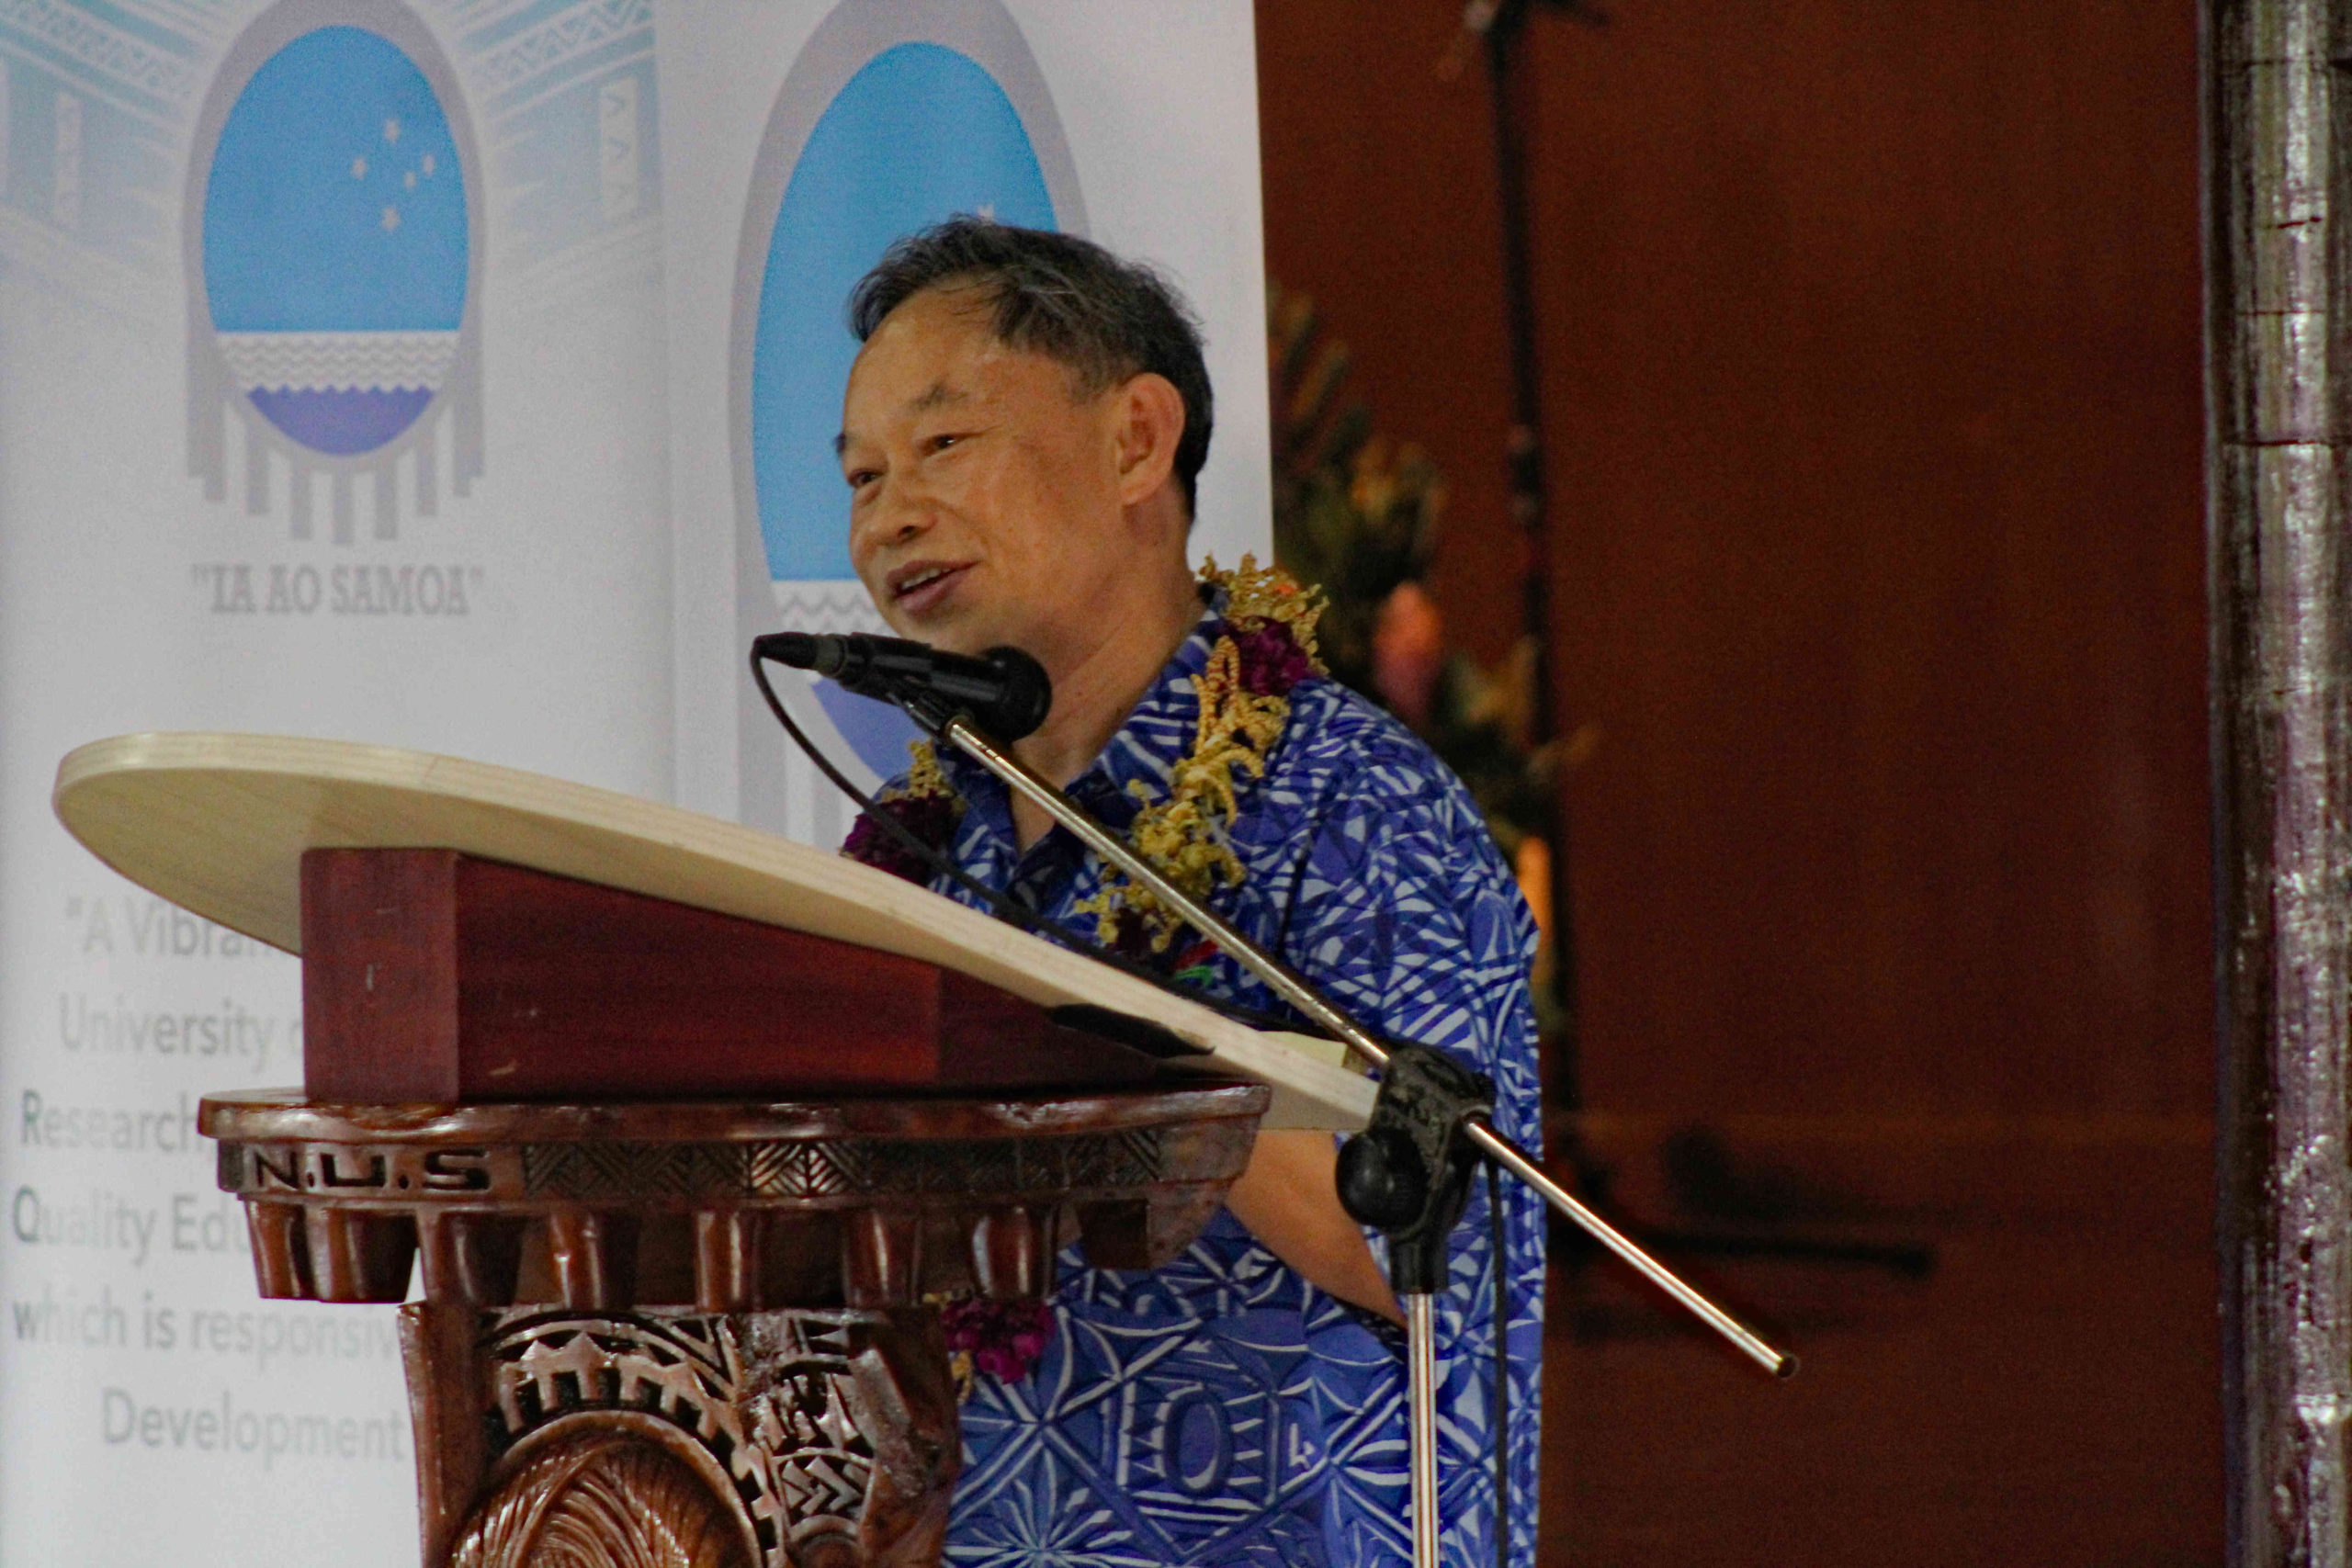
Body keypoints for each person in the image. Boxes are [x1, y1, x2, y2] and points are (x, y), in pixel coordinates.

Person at [832, 217, 1543, 1568]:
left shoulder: (1352, 807)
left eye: (938, 447)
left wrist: (1101, 1027)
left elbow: (1442, 1259)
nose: (889, 517)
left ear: (1135, 443)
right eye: (862, 476)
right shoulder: (926, 841)